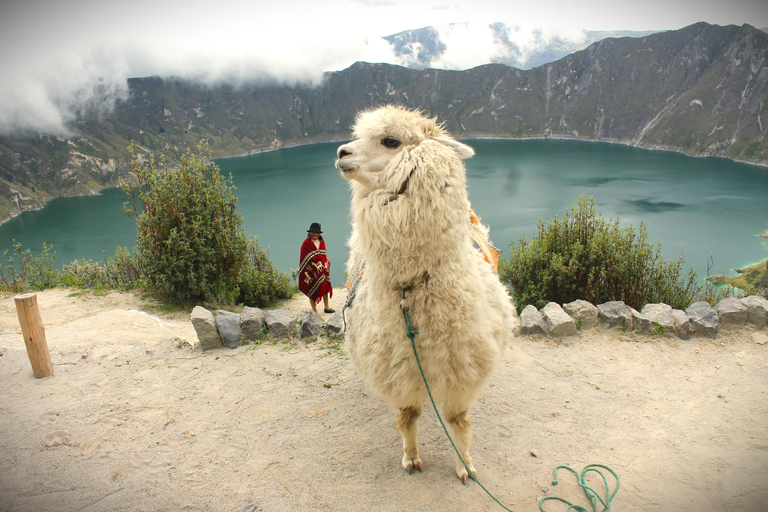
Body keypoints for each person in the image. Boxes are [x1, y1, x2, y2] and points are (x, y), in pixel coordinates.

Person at [298, 222, 335, 314]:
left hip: (323, 270)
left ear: (319, 234)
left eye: (317, 232)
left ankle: (327, 307)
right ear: (309, 233)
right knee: (312, 288)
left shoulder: (321, 242)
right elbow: (305, 259)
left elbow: (323, 255)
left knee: (325, 287)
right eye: (313, 232)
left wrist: (325, 262)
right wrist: (318, 260)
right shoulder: (306, 244)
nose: (315, 234)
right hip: (311, 271)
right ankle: (314, 311)